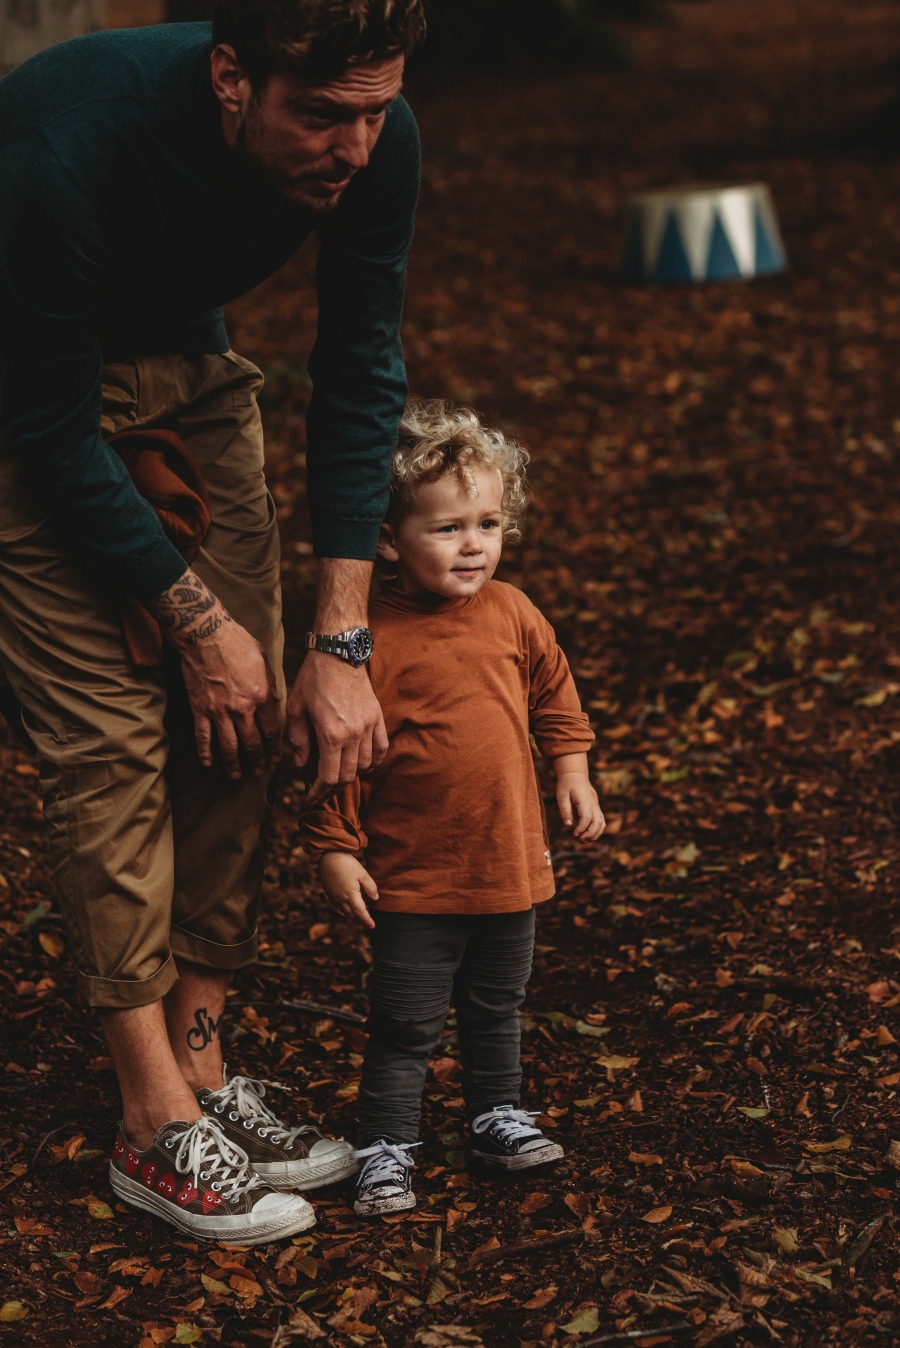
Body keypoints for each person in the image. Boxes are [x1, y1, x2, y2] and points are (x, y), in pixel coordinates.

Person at [0, 0, 424, 1242]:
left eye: (375, 108)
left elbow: (361, 366)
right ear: (232, 79)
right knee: (112, 738)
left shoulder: (381, 141)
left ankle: (204, 1060)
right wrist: (194, 621)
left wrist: (339, 642)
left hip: (192, 370)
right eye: (322, 115)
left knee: (246, 723)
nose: (353, 147)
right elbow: (48, 428)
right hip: (31, 398)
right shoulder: (65, 145)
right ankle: (151, 1125)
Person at [300, 400, 606, 1216]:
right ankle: (386, 1145)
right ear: (388, 539)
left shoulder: (514, 612)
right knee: (405, 1024)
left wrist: (572, 774)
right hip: (413, 880)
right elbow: (338, 752)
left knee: (497, 1004)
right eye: (445, 529)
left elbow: (555, 700)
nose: (473, 545)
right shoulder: (364, 635)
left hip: (508, 866)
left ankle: (495, 1114)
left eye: (489, 523)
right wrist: (335, 847)